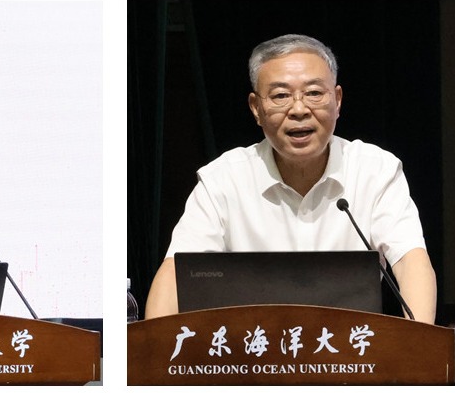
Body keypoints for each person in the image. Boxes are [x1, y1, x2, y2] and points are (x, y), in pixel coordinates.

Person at [143, 34, 437, 324]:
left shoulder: (375, 170)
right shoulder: (223, 179)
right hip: (253, 349)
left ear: (337, 101)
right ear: (256, 108)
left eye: (314, 93)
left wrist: (420, 342)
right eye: (281, 96)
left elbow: (410, 260)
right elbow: (175, 274)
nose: (299, 109)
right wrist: (153, 349)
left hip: (349, 349)